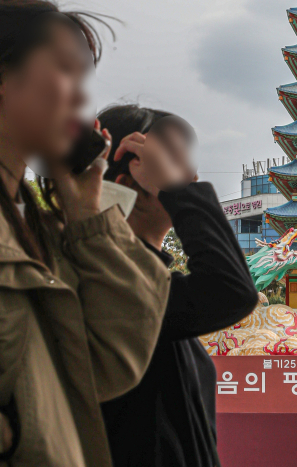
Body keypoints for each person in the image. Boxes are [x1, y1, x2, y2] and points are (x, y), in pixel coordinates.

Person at [0, 0, 183, 467]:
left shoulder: (40, 224)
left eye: (84, 79)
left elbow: (108, 365)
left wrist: (87, 217)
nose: (79, 98)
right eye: (65, 71)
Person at [98, 104, 258, 467]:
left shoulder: (156, 285)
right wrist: (176, 189)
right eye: (167, 160)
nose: (190, 174)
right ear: (126, 185)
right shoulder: (111, 288)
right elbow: (230, 290)